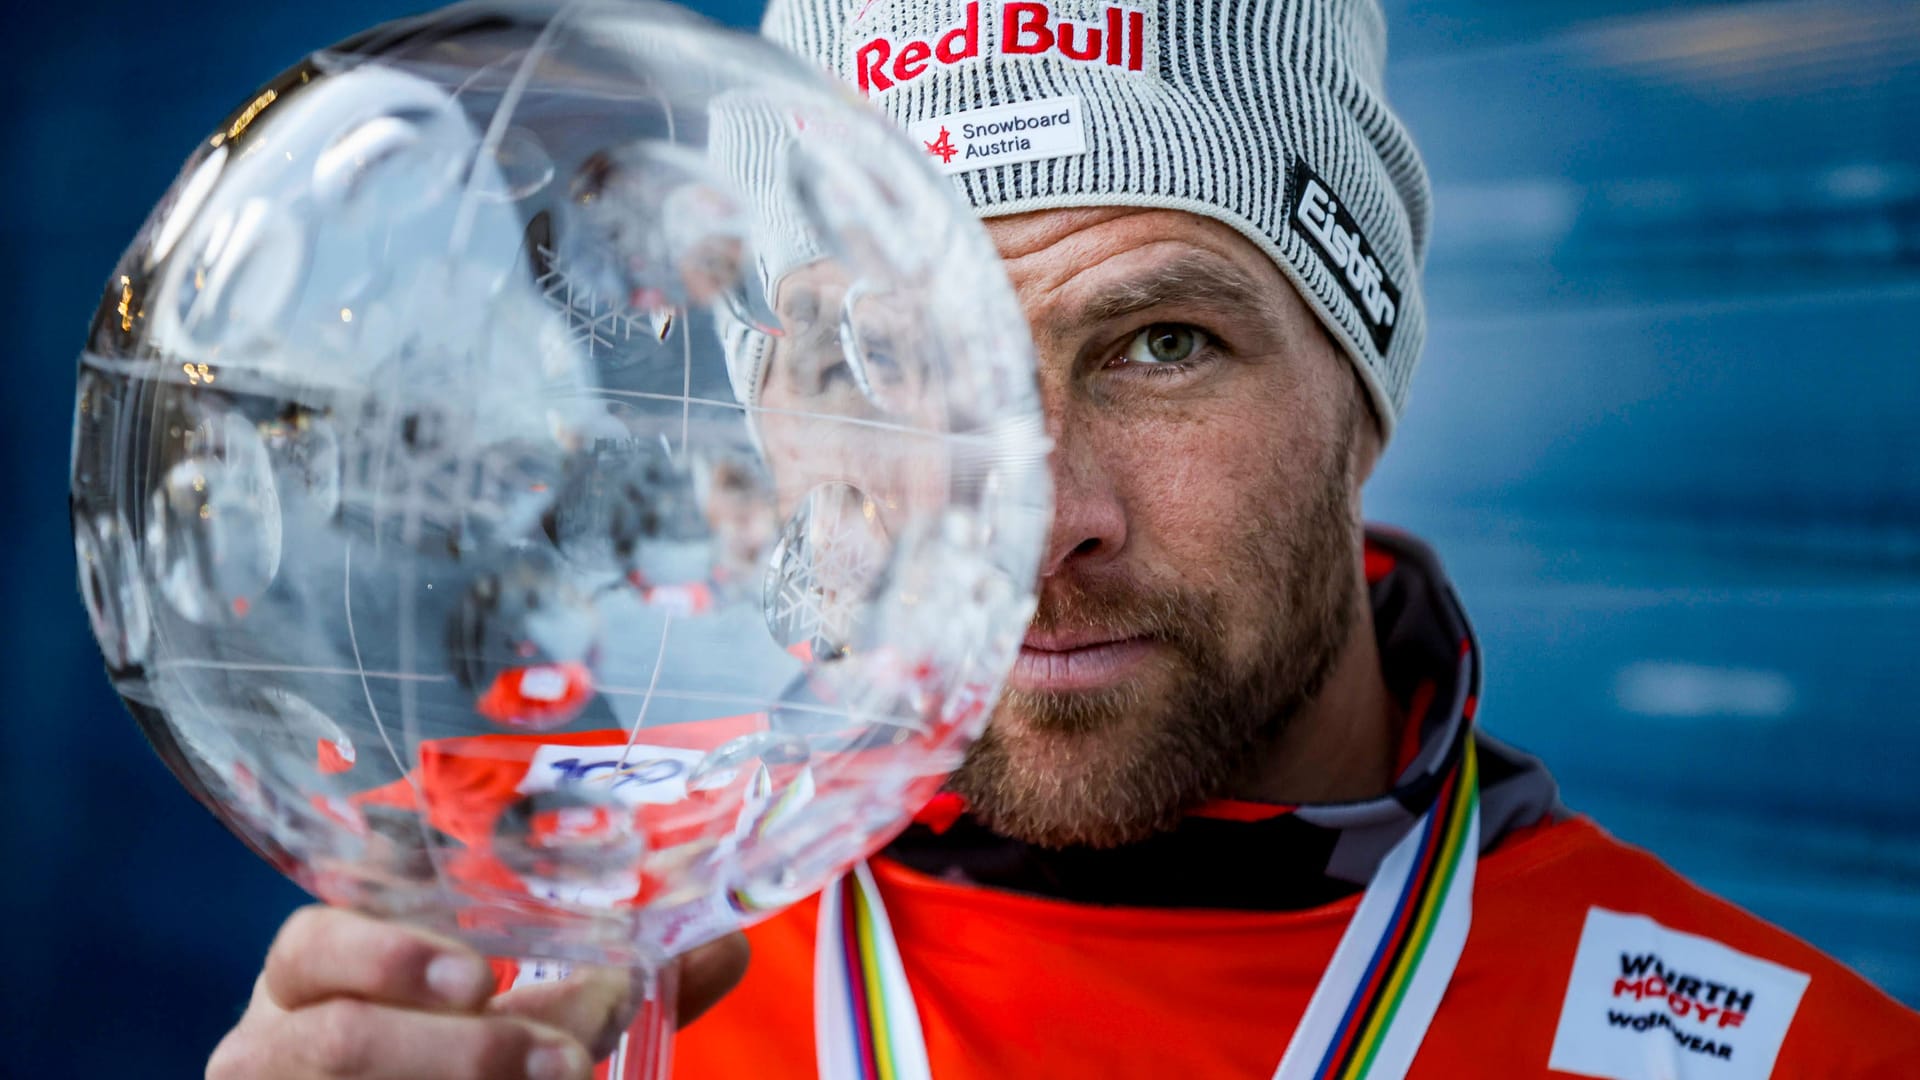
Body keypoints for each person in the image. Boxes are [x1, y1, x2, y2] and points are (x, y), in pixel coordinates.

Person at [208, 0, 1920, 1077]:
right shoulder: (549, 1008)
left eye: (1161, 345)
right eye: (886, 361)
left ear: (1364, 378)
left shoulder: (1782, 1058)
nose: (1030, 523)